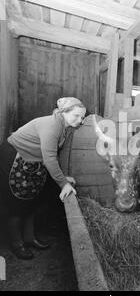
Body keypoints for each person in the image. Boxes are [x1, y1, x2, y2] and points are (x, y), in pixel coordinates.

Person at [0, 97, 86, 259]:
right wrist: (64, 184)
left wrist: (63, 177)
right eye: (76, 116)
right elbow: (50, 159)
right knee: (15, 202)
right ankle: (17, 244)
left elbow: (50, 155)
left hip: (31, 160)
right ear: (64, 113)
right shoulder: (52, 125)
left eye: (82, 117)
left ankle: (29, 237)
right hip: (13, 156)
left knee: (31, 199)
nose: (80, 120)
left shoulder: (65, 127)